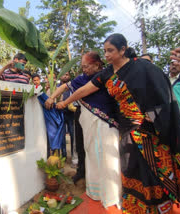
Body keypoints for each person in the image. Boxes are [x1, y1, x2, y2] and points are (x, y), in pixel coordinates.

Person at [56, 33, 180, 213]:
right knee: (130, 167)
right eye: (105, 51)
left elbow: (160, 91)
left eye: (111, 51)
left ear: (123, 50)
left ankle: (158, 205)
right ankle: (135, 205)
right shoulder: (107, 73)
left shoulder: (141, 67)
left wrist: (153, 114)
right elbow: (85, 89)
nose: (106, 55)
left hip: (146, 128)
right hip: (125, 128)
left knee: (151, 168)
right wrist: (65, 101)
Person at [45, 51, 122, 208]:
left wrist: (65, 102)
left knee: (108, 159)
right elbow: (64, 87)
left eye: (86, 66)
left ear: (97, 65)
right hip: (89, 125)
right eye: (82, 67)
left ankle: (111, 193)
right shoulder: (81, 79)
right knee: (92, 155)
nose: (84, 70)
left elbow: (82, 92)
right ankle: (95, 191)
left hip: (106, 124)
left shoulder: (107, 76)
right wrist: (51, 98)